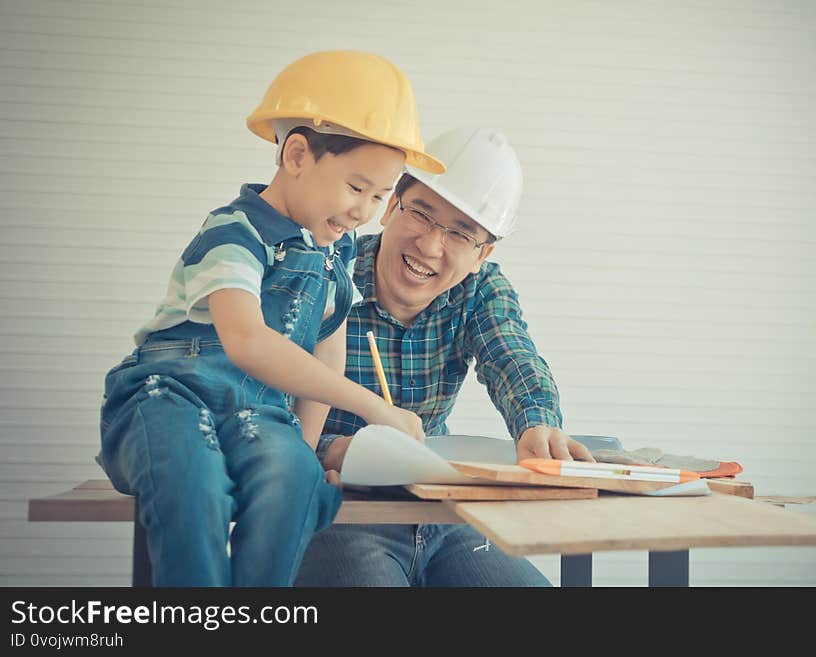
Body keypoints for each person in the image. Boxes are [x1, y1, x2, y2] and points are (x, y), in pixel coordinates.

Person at [97, 50, 441, 586]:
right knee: (194, 480)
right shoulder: (233, 231)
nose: (363, 212)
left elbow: (328, 345)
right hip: (168, 397)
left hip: (256, 415)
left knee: (298, 480)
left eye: (379, 196)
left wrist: (302, 450)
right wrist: (376, 408)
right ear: (298, 155)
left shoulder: (337, 250)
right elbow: (248, 341)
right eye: (355, 187)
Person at [294, 126, 596, 587]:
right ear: (391, 206)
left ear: (482, 254)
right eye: (421, 214)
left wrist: (536, 422)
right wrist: (324, 454)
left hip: (443, 515)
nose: (431, 246)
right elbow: (262, 405)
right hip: (339, 513)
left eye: (460, 233)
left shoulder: (480, 289)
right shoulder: (325, 272)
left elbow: (511, 354)